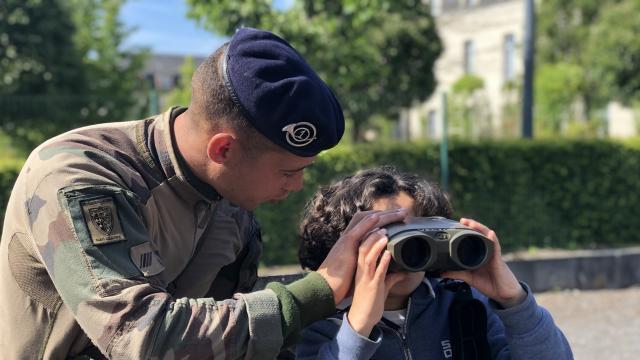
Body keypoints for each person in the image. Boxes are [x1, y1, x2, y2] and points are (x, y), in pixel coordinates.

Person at [0, 28, 408, 359]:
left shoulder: (229, 201)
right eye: (288, 171)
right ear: (223, 149)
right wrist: (320, 288)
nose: (297, 186)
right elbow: (140, 338)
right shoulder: (82, 176)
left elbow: (231, 333)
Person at [296, 167, 573, 359]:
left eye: (416, 232)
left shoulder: (464, 307)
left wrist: (515, 302)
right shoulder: (322, 323)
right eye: (388, 230)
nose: (404, 247)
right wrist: (357, 329)